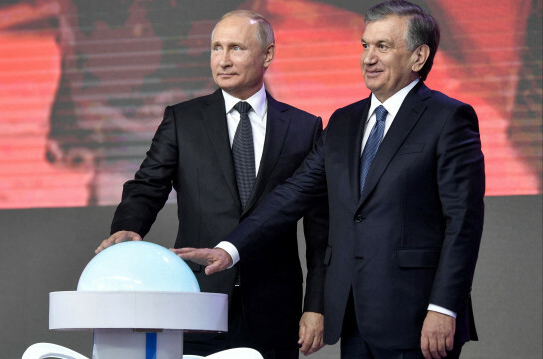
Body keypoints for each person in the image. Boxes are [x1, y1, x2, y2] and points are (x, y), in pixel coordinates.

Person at [174, 1, 485, 358]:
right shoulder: (343, 122)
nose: (368, 58)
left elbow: (463, 222)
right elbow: (291, 194)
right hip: (354, 317)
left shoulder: (449, 119)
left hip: (419, 319)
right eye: (365, 45)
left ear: (419, 56)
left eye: (383, 46)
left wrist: (444, 307)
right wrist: (228, 250)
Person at [95, 9, 329, 359]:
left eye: (235, 48)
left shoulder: (304, 127)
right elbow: (147, 185)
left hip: (273, 306)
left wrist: (316, 306)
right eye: (216, 48)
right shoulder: (182, 119)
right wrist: (128, 226)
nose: (223, 60)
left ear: (268, 54)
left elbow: (321, 232)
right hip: (196, 298)